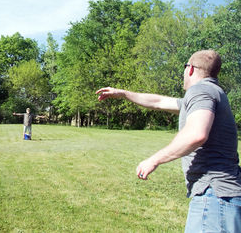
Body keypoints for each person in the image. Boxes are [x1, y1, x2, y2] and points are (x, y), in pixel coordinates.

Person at [96, 50, 241, 232]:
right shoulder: (213, 92)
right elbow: (158, 101)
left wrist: (154, 159)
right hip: (222, 197)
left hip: (213, 195)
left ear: (190, 69)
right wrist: (124, 93)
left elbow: (196, 133)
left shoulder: (201, 91)